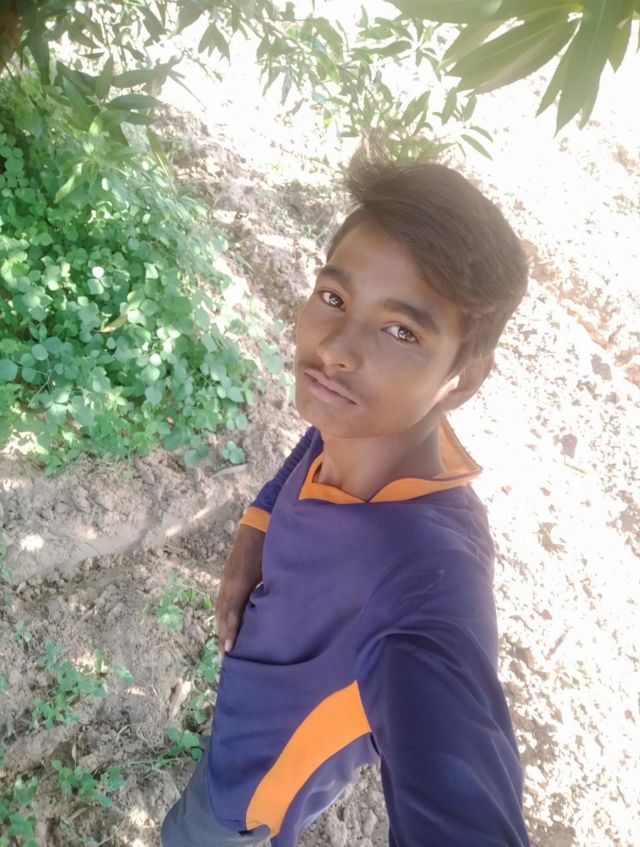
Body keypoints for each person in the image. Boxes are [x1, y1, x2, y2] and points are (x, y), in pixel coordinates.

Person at [161, 149, 532, 846]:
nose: (335, 348)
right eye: (333, 297)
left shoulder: (427, 580)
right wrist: (255, 526)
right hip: (239, 727)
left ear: (464, 376)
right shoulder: (368, 422)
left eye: (401, 331)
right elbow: (313, 441)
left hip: (245, 810)